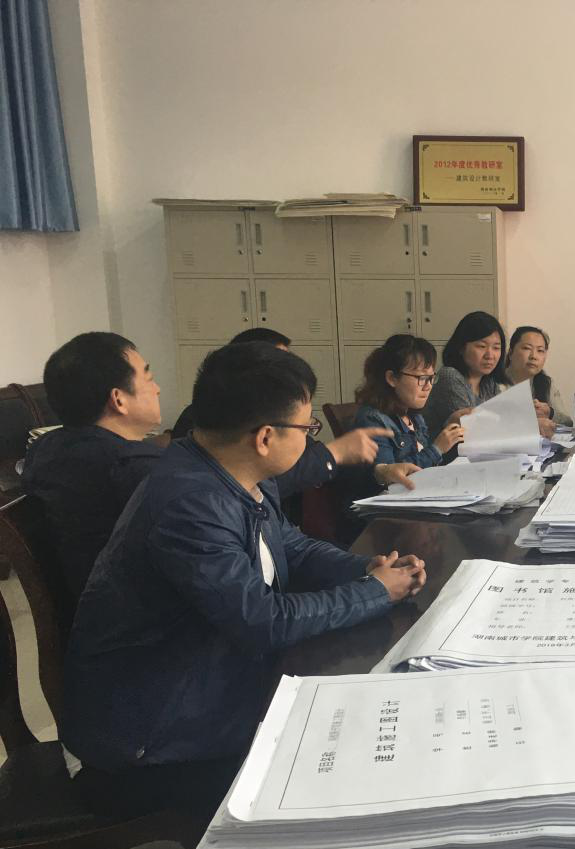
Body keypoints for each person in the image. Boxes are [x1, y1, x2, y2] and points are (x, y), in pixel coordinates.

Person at [61, 343, 426, 822]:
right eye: (307, 429)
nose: (311, 440)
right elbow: (263, 621)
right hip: (149, 737)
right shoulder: (189, 503)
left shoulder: (232, 470)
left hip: (206, 684)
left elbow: (291, 546)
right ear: (265, 437)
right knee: (349, 757)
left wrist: (362, 569)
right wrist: (376, 591)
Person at [170, 327, 406, 496]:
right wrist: (335, 453)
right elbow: (283, 477)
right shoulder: (203, 498)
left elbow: (292, 543)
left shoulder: (255, 487)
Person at [21, 332, 164, 599]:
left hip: (81, 606)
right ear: (119, 399)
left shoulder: (45, 448)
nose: (157, 389)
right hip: (132, 614)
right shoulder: (135, 467)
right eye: (149, 378)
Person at [354, 335, 465, 479]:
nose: (428, 386)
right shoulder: (373, 419)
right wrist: (437, 449)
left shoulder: (414, 416)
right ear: (392, 378)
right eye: (422, 378)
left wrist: (449, 433)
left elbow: (429, 466)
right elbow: (392, 477)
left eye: (431, 378)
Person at [424, 311, 510, 436]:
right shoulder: (449, 376)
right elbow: (475, 432)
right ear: (461, 347)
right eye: (481, 346)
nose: (490, 355)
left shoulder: (489, 384)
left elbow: (502, 422)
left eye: (496, 348)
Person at [507, 325, 573, 426]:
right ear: (510, 353)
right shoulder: (494, 384)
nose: (534, 356)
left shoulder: (545, 383)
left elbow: (568, 423)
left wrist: (550, 413)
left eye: (540, 351)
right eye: (527, 348)